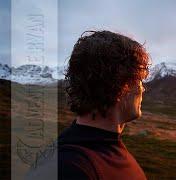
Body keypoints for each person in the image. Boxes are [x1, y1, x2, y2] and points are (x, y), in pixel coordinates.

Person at [27, 30, 150, 180]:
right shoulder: (68, 168)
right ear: (120, 86)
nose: (142, 88)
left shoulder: (103, 151)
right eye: (139, 80)